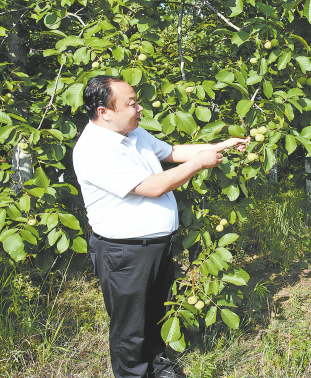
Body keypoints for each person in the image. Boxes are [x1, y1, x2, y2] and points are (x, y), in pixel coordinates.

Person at [73, 75, 248, 378]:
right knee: (129, 327)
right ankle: (134, 373)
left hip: (155, 246)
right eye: (131, 103)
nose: (140, 108)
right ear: (105, 112)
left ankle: (157, 366)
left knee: (154, 314)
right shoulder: (95, 149)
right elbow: (152, 186)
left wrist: (220, 146)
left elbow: (172, 152)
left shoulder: (133, 132)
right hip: (124, 253)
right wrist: (198, 164)